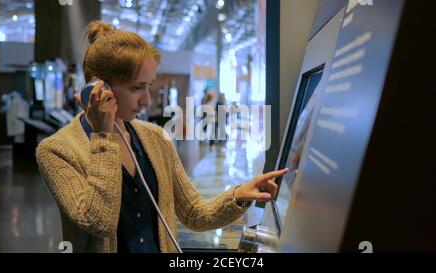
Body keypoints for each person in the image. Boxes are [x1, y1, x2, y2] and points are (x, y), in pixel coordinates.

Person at [35, 21, 288, 253]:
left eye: (149, 86)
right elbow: (98, 221)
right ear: (98, 89)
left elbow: (193, 212)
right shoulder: (56, 150)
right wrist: (103, 136)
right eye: (136, 88)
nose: (146, 100)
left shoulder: (155, 138)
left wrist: (239, 195)